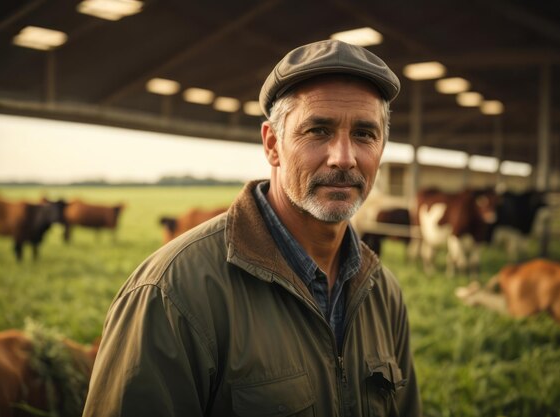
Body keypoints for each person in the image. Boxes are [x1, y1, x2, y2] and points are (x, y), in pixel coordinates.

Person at [83, 39, 421, 417]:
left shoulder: (382, 292)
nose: (343, 158)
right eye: (318, 131)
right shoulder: (172, 292)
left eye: (364, 134)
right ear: (272, 144)